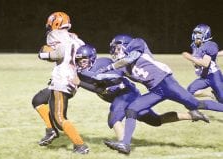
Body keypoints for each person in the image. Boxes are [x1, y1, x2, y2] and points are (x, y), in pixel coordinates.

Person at [98, 35, 223, 154]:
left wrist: (109, 67)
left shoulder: (137, 44)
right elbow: (110, 74)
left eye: (117, 48)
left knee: (197, 104)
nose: (114, 51)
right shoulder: (121, 67)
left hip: (166, 83)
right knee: (132, 109)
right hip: (155, 90)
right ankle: (125, 144)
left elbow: (130, 59)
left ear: (126, 45)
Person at [73, 44, 209, 141]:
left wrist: (80, 83)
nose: (81, 64)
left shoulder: (103, 64)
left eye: (84, 61)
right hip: (124, 95)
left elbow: (101, 88)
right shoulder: (81, 73)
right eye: (79, 61)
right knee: (155, 120)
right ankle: (191, 115)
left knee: (114, 118)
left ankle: (123, 144)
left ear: (92, 58)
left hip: (125, 93)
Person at [34, 11, 89, 154]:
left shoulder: (55, 35)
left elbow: (58, 54)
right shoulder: (77, 39)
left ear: (55, 22)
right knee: (38, 100)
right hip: (71, 79)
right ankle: (50, 131)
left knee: (59, 118)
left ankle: (80, 145)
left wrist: (42, 54)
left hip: (62, 81)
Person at [182, 24, 223, 103]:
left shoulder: (210, 45)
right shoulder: (194, 45)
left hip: (214, 76)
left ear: (206, 34)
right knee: (190, 91)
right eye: (196, 33)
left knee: (222, 100)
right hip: (204, 77)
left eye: (199, 33)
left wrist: (190, 58)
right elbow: (196, 62)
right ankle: (211, 94)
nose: (196, 35)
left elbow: (205, 64)